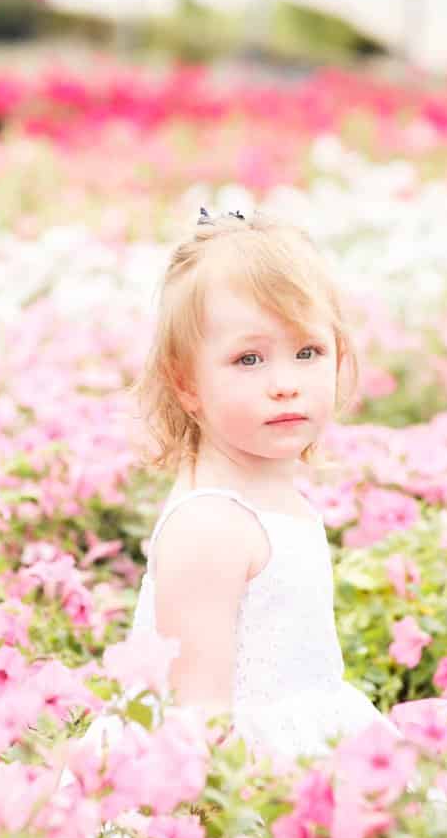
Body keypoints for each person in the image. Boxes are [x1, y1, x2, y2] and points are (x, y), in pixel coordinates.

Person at [72, 205, 403, 775]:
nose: (285, 384)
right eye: (249, 359)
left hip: (306, 738)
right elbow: (196, 723)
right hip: (237, 774)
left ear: (338, 356)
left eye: (308, 353)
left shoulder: (275, 498)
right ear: (186, 383)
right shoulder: (212, 527)